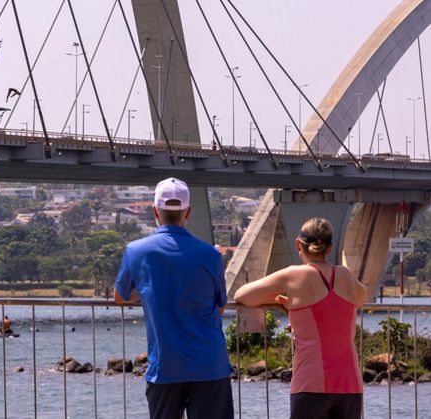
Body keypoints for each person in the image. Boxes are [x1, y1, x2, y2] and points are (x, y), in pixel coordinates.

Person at [114, 177, 232, 419]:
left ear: (155, 211)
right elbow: (220, 306)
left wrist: (148, 292)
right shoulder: (210, 254)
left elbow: (120, 296)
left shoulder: (136, 251)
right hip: (210, 365)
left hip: (166, 367)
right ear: (187, 213)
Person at [235, 217, 365, 419]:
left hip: (310, 382)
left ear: (298, 245)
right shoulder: (346, 275)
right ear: (330, 248)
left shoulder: (293, 275)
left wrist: (282, 302)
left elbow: (242, 296)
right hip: (350, 383)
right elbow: (361, 297)